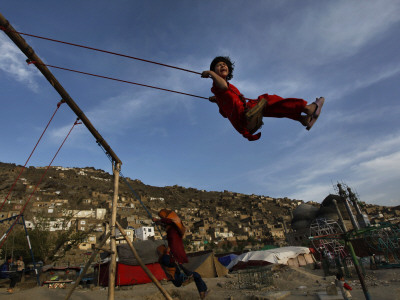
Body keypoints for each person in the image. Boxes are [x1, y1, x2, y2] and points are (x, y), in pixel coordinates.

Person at [201, 56, 325, 141]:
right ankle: (307, 108)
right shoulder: (218, 85)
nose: (222, 65)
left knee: (272, 108)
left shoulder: (221, 92)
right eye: (218, 65)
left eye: (224, 64)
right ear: (213, 71)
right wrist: (211, 74)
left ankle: (301, 119)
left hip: (244, 123)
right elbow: (222, 85)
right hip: (244, 116)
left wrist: (217, 101)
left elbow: (224, 113)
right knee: (267, 99)